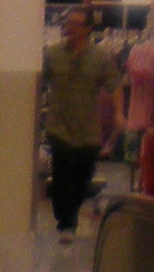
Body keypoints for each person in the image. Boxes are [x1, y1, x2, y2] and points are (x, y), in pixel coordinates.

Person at [42, 8, 117, 245]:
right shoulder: (52, 54)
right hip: (59, 126)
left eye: (76, 23)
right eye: (68, 22)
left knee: (82, 177)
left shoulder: (101, 57)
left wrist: (120, 114)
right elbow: (39, 84)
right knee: (62, 177)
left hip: (88, 130)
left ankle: (70, 214)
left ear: (87, 29)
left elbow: (114, 85)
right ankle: (66, 223)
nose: (70, 27)